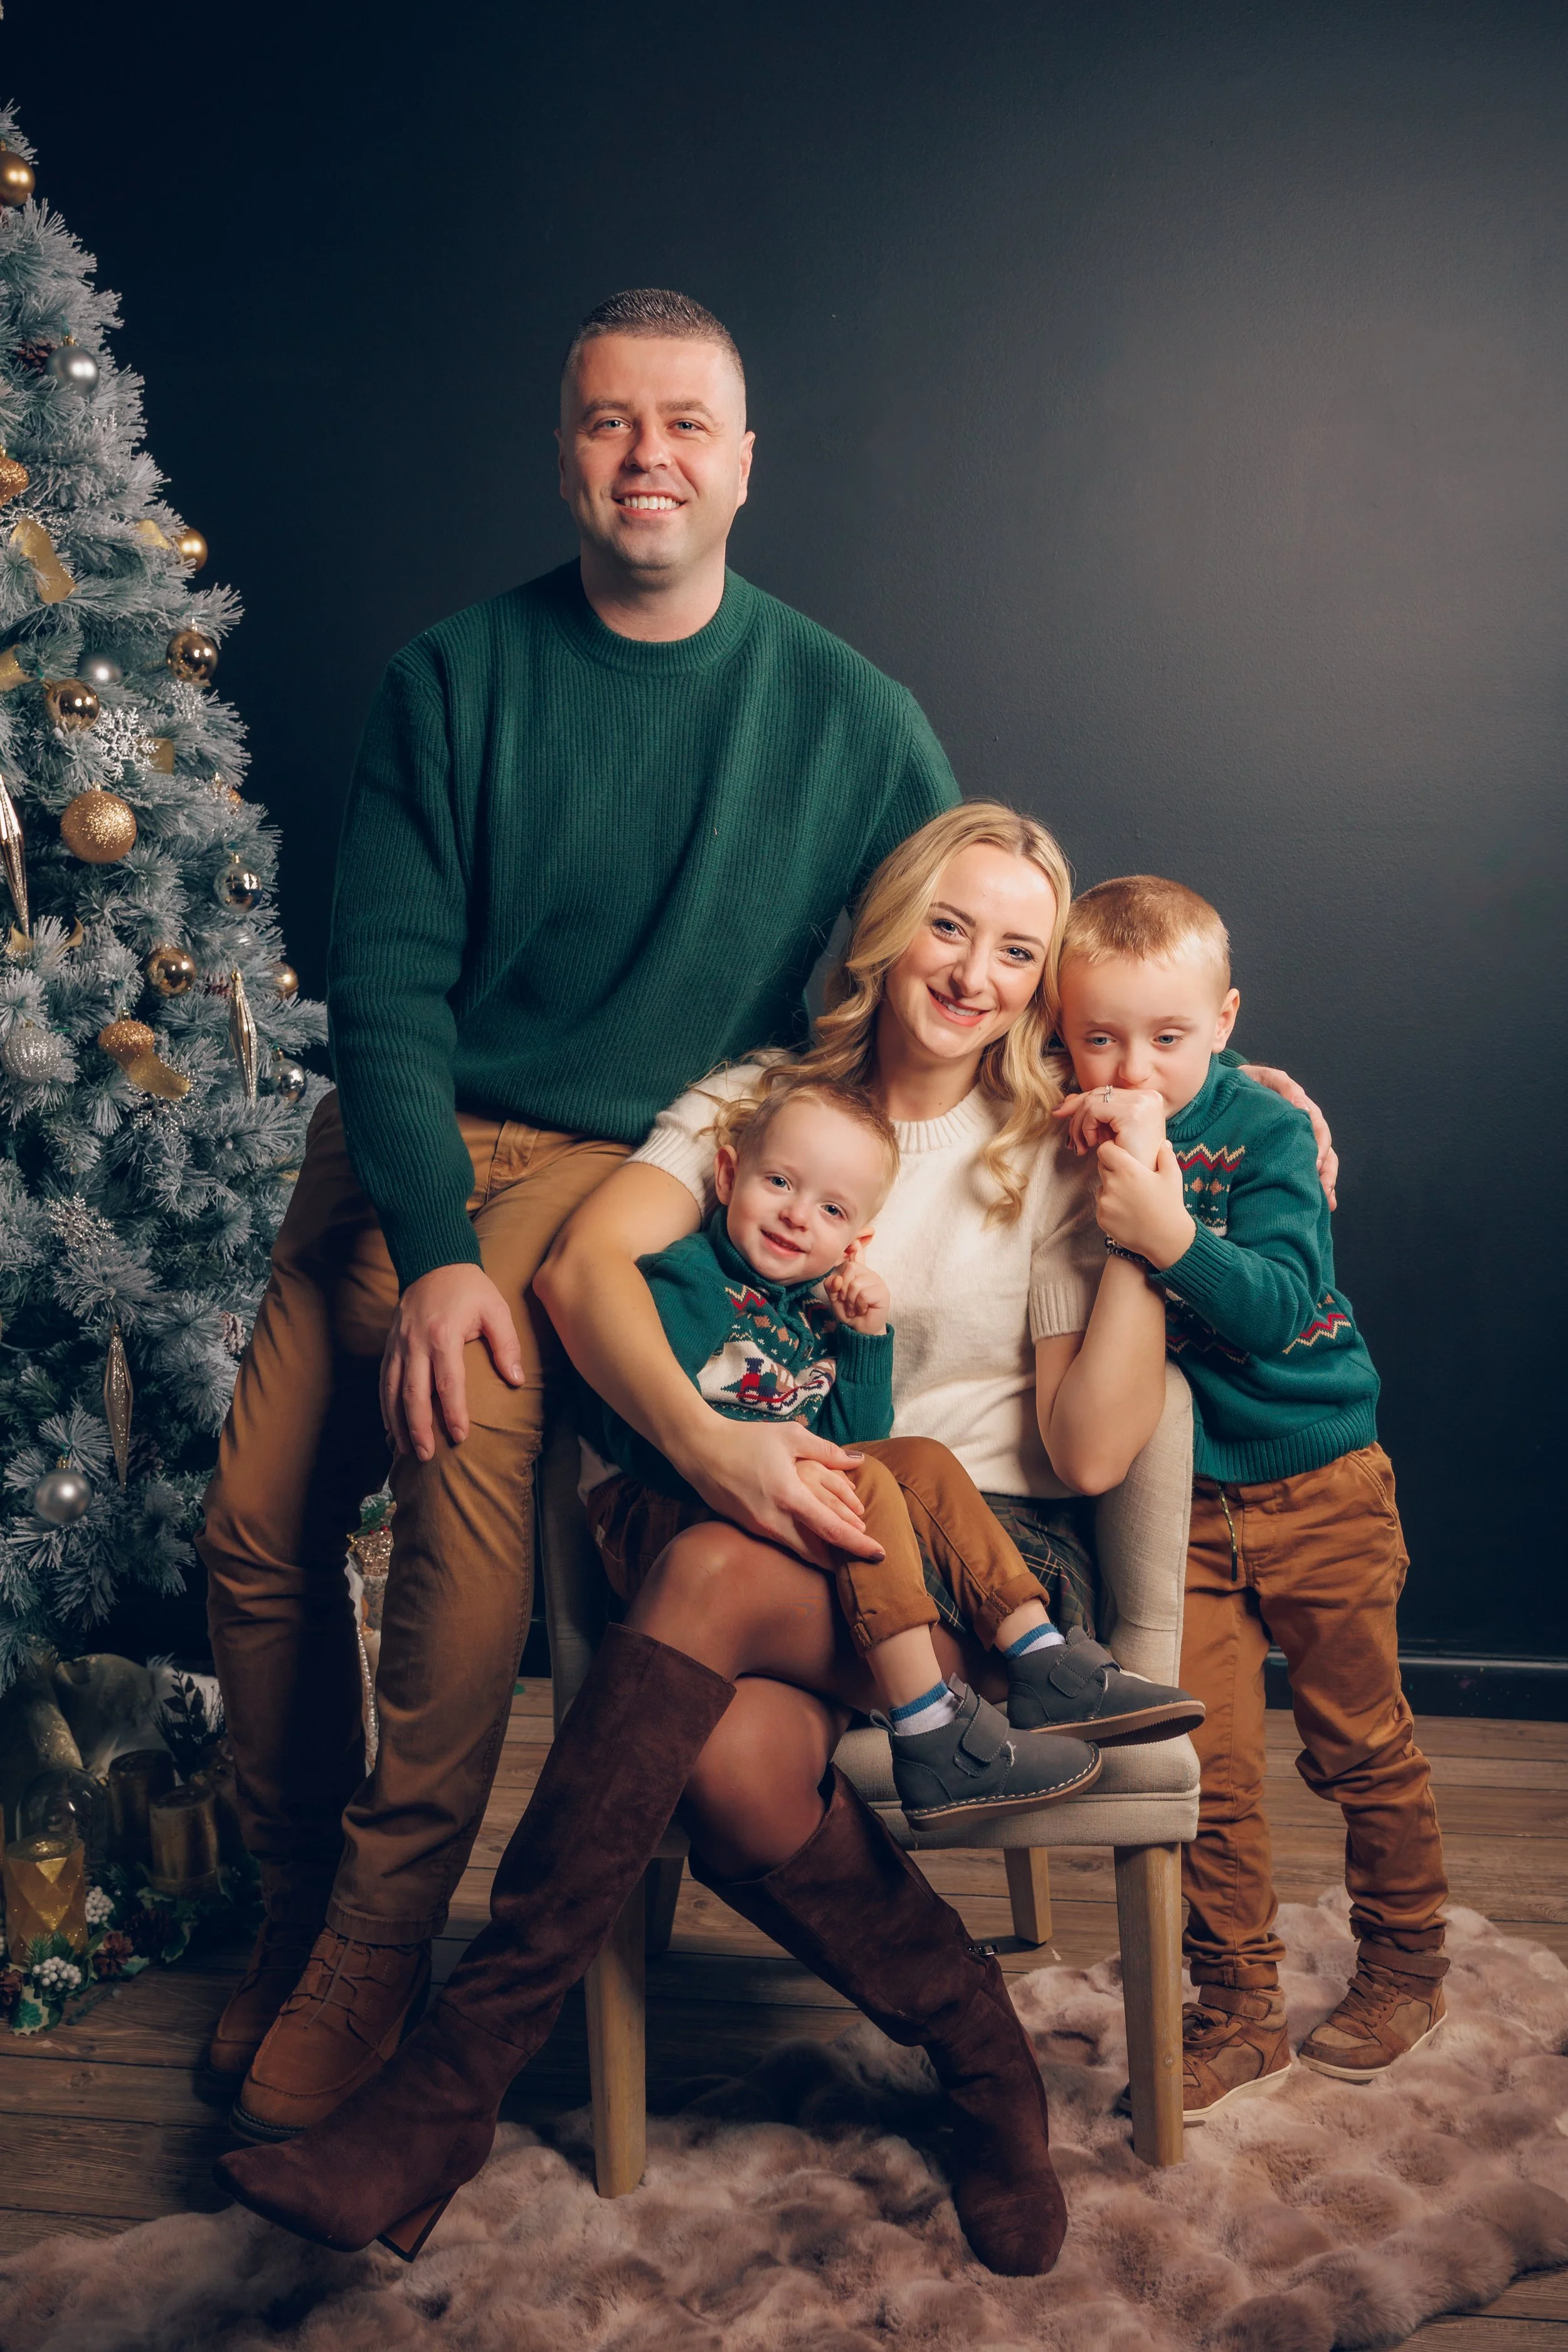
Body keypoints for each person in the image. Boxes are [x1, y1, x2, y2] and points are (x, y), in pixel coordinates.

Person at [216, 805, 1327, 2274]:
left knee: (707, 1570)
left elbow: (1096, 1448)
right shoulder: (757, 1099)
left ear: (1042, 976)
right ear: (890, 927)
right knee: (738, 1762)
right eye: (949, 924)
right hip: (762, 1521)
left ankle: (442, 2091)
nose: (975, 971)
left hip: (978, 1571)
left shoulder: (1055, 1139)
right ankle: (985, 2058)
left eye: (1017, 948)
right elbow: (584, 1267)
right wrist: (707, 1440)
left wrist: (1159, 1206)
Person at [196, 287, 965, 2143]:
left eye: (685, 424)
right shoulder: (450, 680)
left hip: (616, 1178)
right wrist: (438, 1240)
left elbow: (967, 947)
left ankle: (382, 1941)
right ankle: (291, 1894)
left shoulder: (851, 719)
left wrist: (1200, 1093)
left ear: (744, 462)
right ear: (563, 454)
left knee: (460, 1467)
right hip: (405, 1139)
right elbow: (381, 997)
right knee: (246, 1522)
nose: (648, 459)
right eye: (611, 424)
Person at [1055, 873, 1448, 2124]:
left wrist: (1165, 1235)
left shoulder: (1263, 1133)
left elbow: (1282, 1311)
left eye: (1167, 1038)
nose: (1135, 1065)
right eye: (1099, 1037)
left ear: (1222, 1021)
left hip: (1317, 1480)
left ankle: (1405, 1966)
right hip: (1185, 1511)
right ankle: (1232, 2007)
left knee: (1357, 1741)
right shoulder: (1067, 1127)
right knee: (1205, 1763)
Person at [578, 1064, 1203, 1830]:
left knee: (915, 1458)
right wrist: (731, 1453)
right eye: (778, 1183)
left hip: (774, 1532)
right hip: (677, 1514)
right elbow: (637, 1415)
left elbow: (852, 1446)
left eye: (830, 1208)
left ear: (855, 1239)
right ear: (728, 1173)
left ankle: (1038, 1653)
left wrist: (866, 1342)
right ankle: (930, 1729)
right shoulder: (684, 1283)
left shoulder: (801, 1322)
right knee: (871, 1481)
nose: (796, 1216)